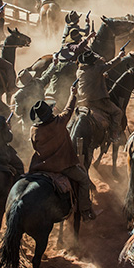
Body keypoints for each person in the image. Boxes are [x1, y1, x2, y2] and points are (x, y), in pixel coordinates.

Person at [28, 88, 95, 220]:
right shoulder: (59, 121)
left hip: (40, 166)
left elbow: (35, 147)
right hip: (63, 166)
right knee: (84, 180)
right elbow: (69, 109)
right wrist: (72, 94)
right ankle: (85, 210)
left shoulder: (34, 130)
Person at [75, 49, 126, 143]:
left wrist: (101, 76)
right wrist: (119, 56)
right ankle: (114, 134)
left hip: (83, 101)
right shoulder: (96, 69)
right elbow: (109, 65)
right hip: (97, 101)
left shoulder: (79, 71)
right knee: (117, 112)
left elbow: (90, 79)